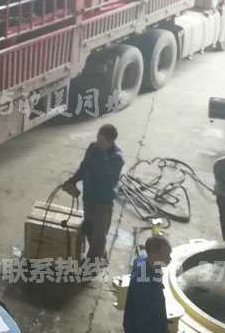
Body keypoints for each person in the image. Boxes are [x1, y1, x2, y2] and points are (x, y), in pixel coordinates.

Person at [63, 124, 124, 263]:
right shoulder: (93, 147)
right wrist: (73, 180)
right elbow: (84, 167)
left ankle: (92, 265)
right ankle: (101, 257)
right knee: (89, 229)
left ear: (111, 141)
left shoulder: (116, 158)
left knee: (99, 235)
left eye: (102, 141)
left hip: (103, 203)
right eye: (98, 138)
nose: (98, 143)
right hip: (89, 198)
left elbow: (105, 176)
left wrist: (102, 154)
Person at [123, 235, 173, 333]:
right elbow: (144, 321)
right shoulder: (146, 287)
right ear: (155, 257)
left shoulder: (141, 259)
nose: (170, 259)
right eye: (167, 255)